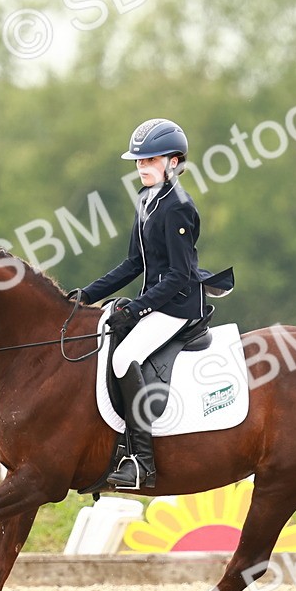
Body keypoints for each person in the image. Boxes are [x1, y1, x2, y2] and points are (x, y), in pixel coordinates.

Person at [77, 118, 204, 490]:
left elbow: (179, 275)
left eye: (150, 161)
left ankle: (141, 462)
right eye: (139, 161)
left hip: (178, 305)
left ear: (174, 162)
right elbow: (134, 263)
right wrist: (86, 294)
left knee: (122, 358)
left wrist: (137, 309)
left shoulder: (178, 207)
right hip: (156, 302)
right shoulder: (147, 199)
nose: (142, 167)